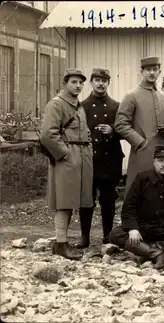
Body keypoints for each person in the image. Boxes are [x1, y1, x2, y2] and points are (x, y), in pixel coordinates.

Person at [108, 145, 164, 270]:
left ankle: (148, 249)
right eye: (160, 161)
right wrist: (133, 228)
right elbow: (129, 207)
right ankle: (159, 254)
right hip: (145, 228)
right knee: (116, 234)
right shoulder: (142, 179)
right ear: (154, 161)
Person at [40, 68, 93, 260]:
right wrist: (64, 154)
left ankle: (61, 243)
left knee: (71, 199)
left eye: (81, 82)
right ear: (65, 83)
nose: (78, 86)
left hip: (80, 156)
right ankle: (60, 243)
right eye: (74, 82)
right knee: (64, 200)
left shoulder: (78, 105)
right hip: (67, 157)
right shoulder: (57, 104)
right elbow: (47, 134)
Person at [114, 56, 164, 195]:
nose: (152, 73)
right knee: (140, 190)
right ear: (141, 71)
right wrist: (140, 142)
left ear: (159, 72)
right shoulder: (131, 96)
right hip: (142, 153)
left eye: (155, 69)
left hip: (163, 152)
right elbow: (120, 124)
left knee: (162, 191)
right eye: (148, 69)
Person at [76, 68, 124, 248]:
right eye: (97, 80)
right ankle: (84, 237)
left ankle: (107, 235)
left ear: (109, 83)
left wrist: (113, 130)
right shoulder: (82, 106)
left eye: (104, 80)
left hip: (110, 160)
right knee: (86, 199)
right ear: (91, 82)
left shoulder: (116, 106)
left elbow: (125, 128)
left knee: (108, 199)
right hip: (89, 160)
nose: (101, 83)